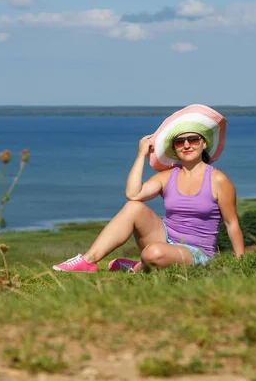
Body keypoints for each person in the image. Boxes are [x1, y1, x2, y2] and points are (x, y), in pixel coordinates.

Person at [53, 104, 245, 273]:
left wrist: (241, 262)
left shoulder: (218, 180)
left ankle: (137, 267)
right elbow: (133, 194)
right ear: (175, 148)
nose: (186, 145)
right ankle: (88, 261)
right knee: (133, 207)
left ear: (204, 144)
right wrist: (140, 155)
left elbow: (231, 223)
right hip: (164, 238)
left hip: (198, 253)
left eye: (193, 139)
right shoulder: (167, 177)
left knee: (154, 253)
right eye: (180, 141)